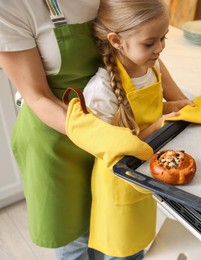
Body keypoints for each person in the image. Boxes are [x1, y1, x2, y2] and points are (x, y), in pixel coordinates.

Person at [0, 0, 153, 259]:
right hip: (58, 141)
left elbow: (144, 41)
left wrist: (183, 101)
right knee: (77, 245)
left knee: (124, 234)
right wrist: (104, 138)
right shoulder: (10, 6)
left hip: (119, 126)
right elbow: (39, 97)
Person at [82, 0, 195, 258]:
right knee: (120, 250)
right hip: (117, 186)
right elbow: (115, 147)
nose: (160, 49)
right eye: (150, 43)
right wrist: (160, 125)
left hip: (144, 177)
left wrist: (175, 106)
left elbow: (152, 109)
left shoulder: (151, 68)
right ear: (117, 40)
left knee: (139, 245)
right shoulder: (101, 92)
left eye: (163, 38)